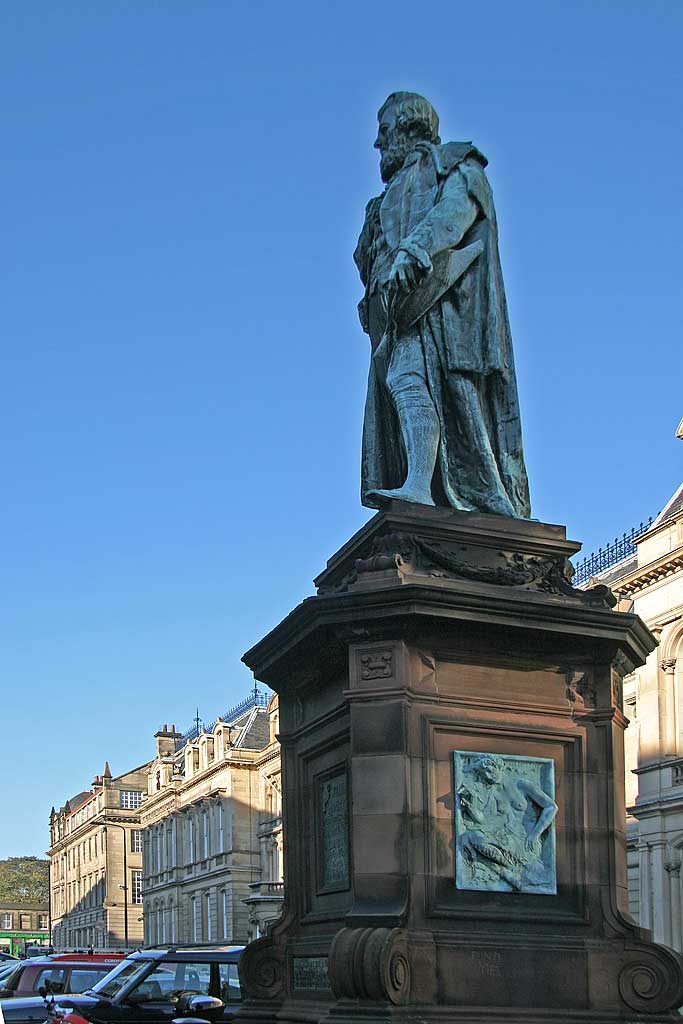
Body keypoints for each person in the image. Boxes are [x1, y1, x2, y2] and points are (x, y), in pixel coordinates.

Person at [355, 92, 531, 517]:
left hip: (446, 312)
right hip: (403, 310)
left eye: (384, 132)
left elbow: (452, 217)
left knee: (414, 381)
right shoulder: (384, 200)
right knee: (404, 380)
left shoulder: (456, 166)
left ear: (410, 127)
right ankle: (419, 483)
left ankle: (425, 486)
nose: (378, 145)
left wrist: (414, 250)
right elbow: (369, 255)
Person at [456, 754, 557, 891]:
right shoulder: (492, 793)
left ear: (499, 766)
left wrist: (535, 834)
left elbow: (551, 807)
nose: (488, 775)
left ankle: (512, 872)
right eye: (484, 773)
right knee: (470, 837)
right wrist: (469, 807)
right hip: (504, 837)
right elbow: (482, 820)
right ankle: (511, 871)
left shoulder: (521, 785)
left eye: (490, 770)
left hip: (527, 841)